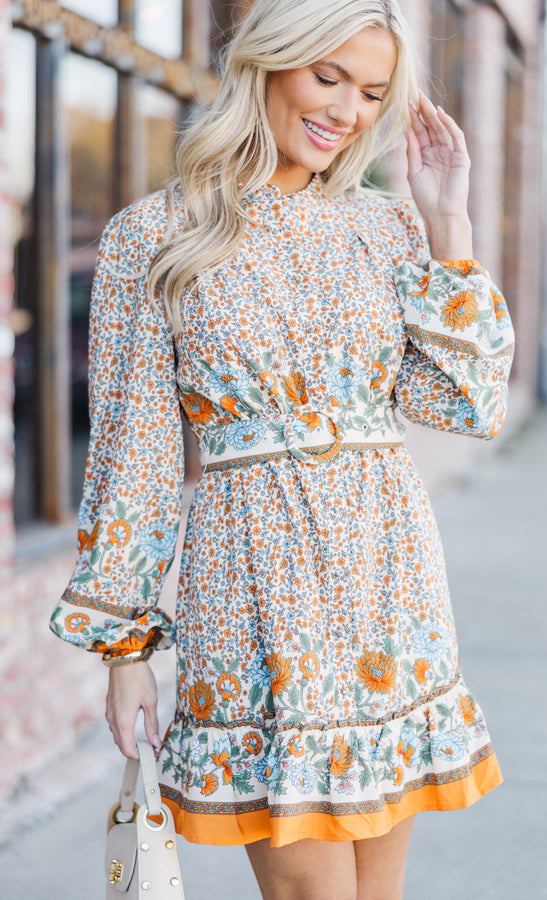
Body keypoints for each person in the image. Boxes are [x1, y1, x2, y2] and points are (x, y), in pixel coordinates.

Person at [50, 1, 515, 897]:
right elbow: (133, 458)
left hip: (391, 587)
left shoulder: (385, 228)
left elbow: (465, 403)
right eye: (328, 77)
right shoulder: (154, 237)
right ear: (268, 66)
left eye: (372, 92)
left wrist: (448, 223)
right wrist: (127, 652)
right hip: (256, 592)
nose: (347, 111)